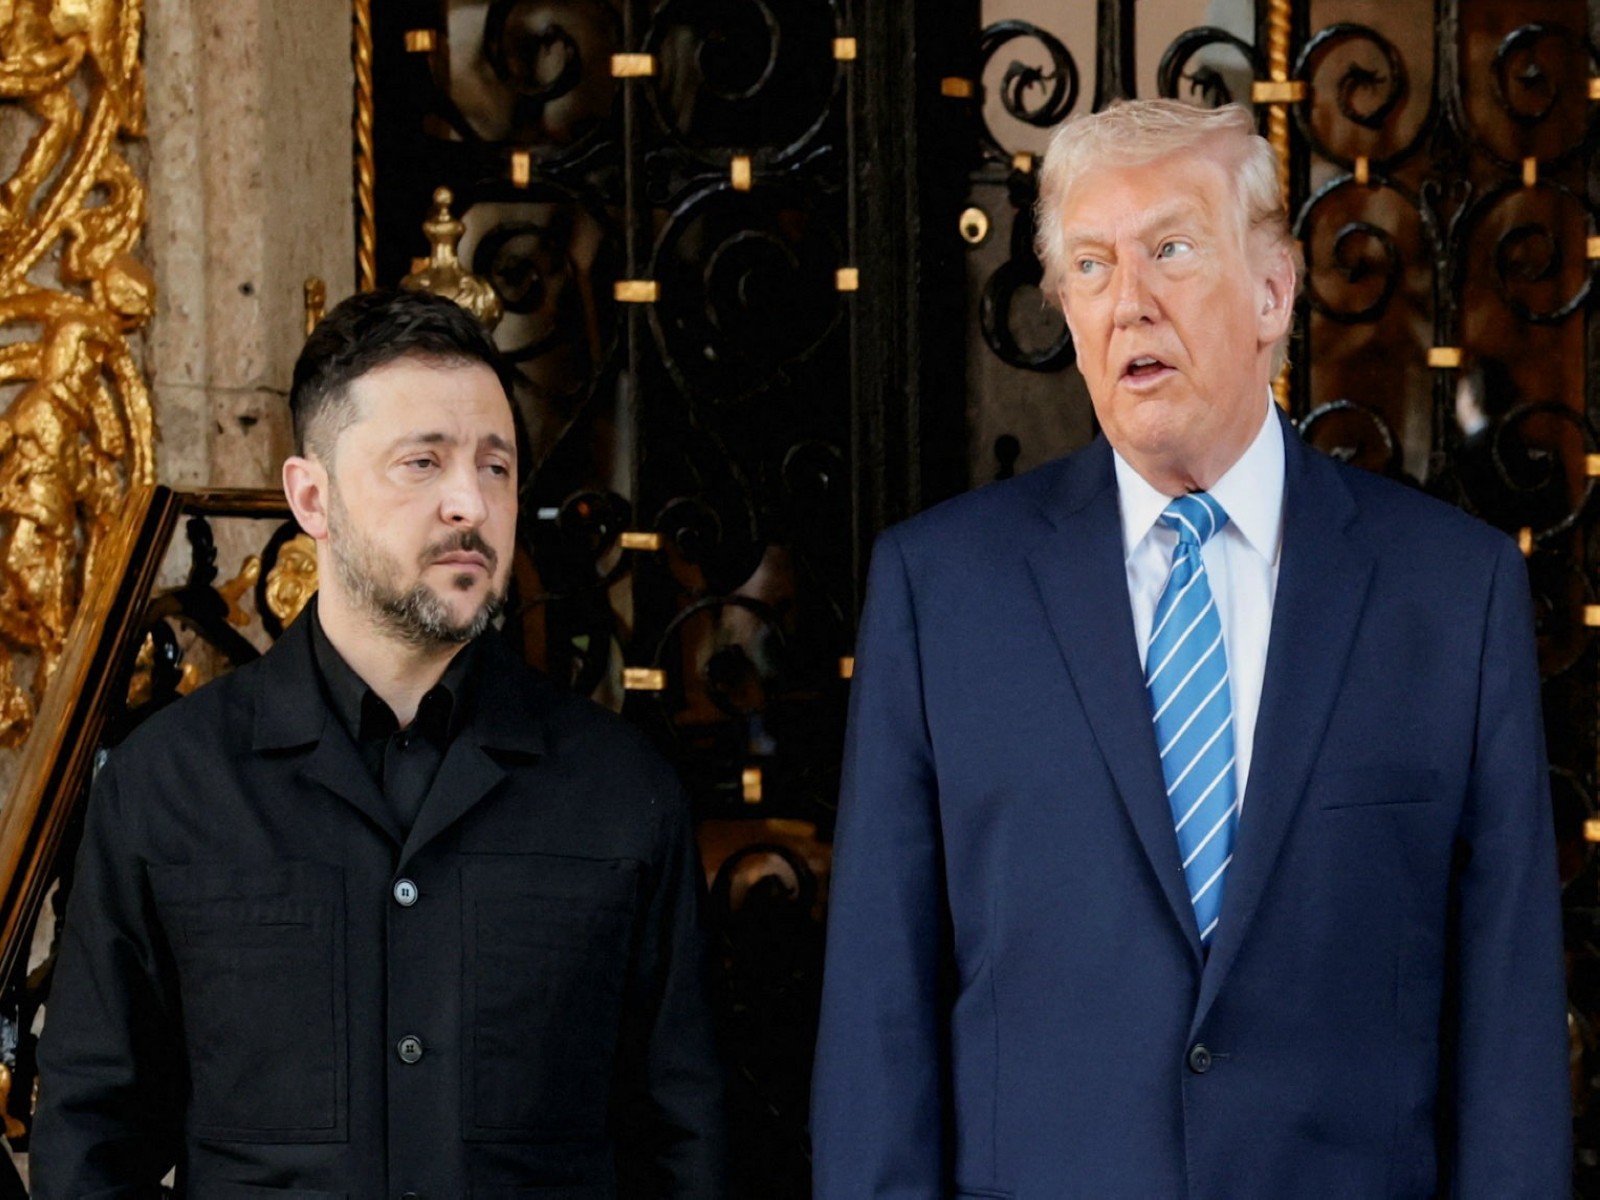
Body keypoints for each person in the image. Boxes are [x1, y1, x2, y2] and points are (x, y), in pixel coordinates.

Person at [811, 100, 1569, 1197]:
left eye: (1170, 249)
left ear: (1273, 291)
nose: (1130, 303)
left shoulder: (1450, 595)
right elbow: (880, 1011)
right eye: (1089, 265)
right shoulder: (942, 591)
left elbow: (1504, 1025)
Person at [32, 288, 726, 1196]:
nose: (468, 504)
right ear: (311, 497)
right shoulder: (167, 785)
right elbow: (92, 1140)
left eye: (497, 466)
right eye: (422, 463)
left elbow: (686, 1144)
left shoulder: (624, 793)